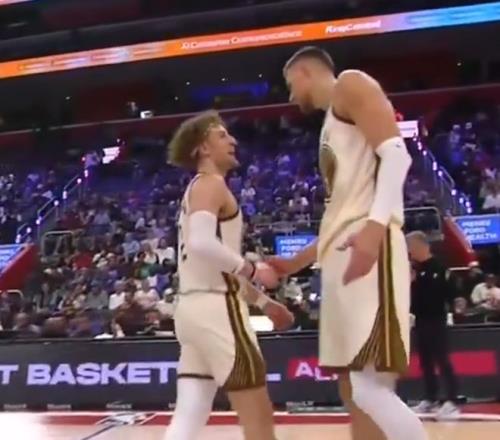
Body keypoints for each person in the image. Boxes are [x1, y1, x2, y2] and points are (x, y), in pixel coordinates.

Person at [268, 46, 427, 440]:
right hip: (343, 249)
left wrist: (374, 228)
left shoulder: (351, 84)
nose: (291, 95)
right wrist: (296, 262)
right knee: (353, 386)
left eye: (290, 84)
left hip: (367, 243)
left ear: (305, 72)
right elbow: (341, 209)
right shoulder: (331, 124)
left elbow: (397, 156)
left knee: (369, 385)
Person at [164, 110, 294, 440]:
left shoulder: (196, 190)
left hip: (192, 309)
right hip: (218, 311)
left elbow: (212, 262)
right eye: (222, 135)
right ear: (203, 148)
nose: (232, 140)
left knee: (189, 416)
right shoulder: (210, 184)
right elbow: (202, 243)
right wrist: (254, 269)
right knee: (258, 416)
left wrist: (263, 303)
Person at [407, 231, 460, 417]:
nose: (409, 251)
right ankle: (431, 398)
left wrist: (457, 304)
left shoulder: (440, 267)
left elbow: (452, 293)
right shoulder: (414, 270)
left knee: (442, 360)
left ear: (421, 245)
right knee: (426, 361)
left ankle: (452, 400)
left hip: (436, 319)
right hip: (420, 320)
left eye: (411, 247)